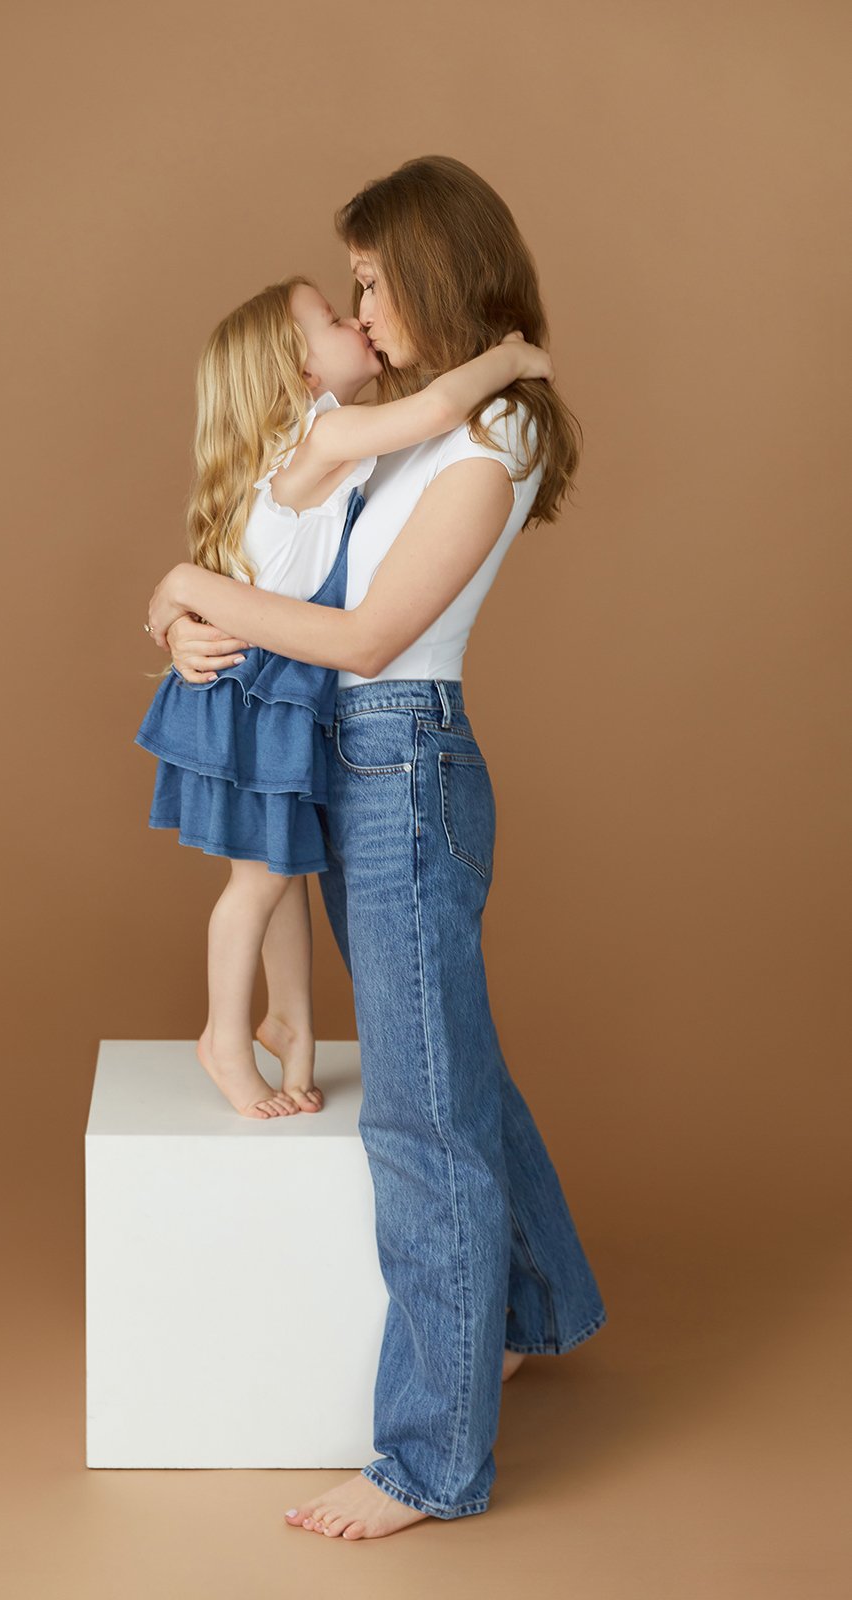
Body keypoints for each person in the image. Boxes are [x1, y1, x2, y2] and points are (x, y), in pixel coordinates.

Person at [145, 156, 608, 1541]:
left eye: (367, 281)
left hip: (401, 758)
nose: (356, 306)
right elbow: (278, 541)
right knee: (450, 1069)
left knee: (420, 1118)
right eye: (344, 289)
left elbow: (357, 637)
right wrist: (179, 615)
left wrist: (191, 587)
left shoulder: (494, 440)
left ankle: (427, 1458)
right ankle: (530, 1309)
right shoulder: (408, 424)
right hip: (354, 757)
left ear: (429, 268)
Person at [137, 274, 551, 1121]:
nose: (352, 317)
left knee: (284, 866)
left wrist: (174, 599)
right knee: (256, 884)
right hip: (261, 695)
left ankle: (289, 1018)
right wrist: (511, 356)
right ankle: (222, 1035)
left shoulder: (314, 444)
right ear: (301, 374)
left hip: (267, 690)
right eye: (330, 317)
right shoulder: (326, 437)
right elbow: (437, 412)